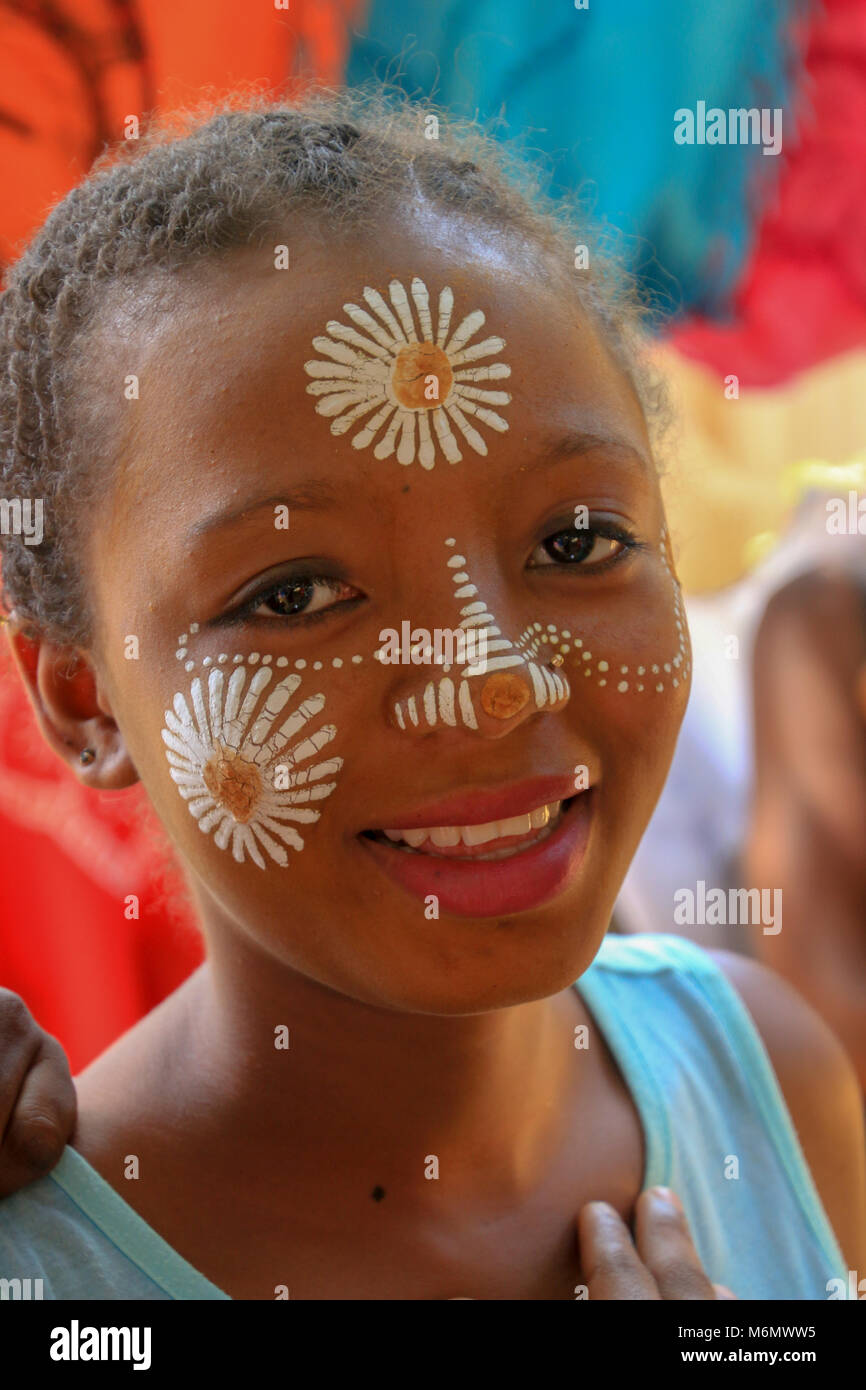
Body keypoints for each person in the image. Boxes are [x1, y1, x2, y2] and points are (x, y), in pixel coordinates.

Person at [0, 91, 862, 1300]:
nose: (494, 679)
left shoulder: (764, 1080)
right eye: (296, 592)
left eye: (574, 542)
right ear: (85, 699)